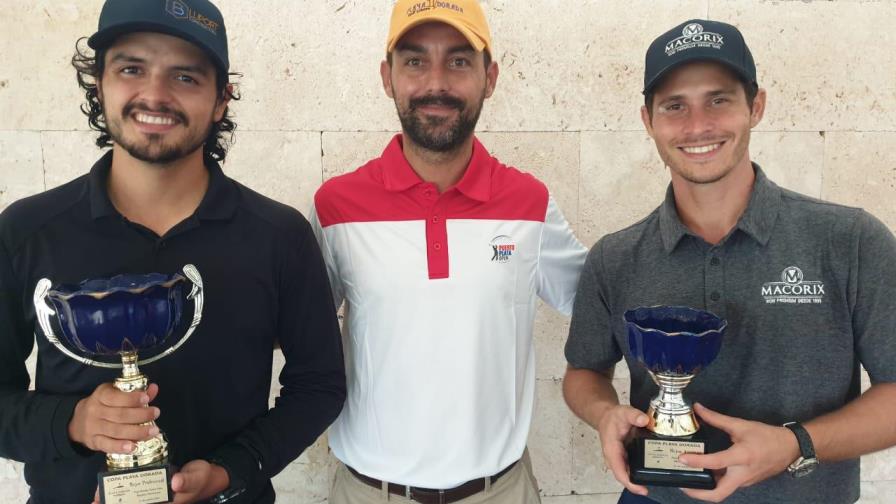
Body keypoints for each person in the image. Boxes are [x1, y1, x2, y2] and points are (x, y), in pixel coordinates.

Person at [0, 1, 346, 502]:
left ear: (221, 99)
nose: (155, 95)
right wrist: (71, 422)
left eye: (185, 77)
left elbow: (319, 387)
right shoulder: (26, 231)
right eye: (132, 68)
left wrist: (231, 470)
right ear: (99, 82)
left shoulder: (279, 235)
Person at [562, 18, 896, 504]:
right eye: (675, 106)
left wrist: (794, 444)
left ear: (755, 106)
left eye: (718, 99)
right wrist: (604, 413)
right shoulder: (615, 257)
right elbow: (583, 372)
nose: (698, 126)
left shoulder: (850, 239)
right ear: (647, 121)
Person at [309, 1, 587, 502]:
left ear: (490, 77)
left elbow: (600, 303)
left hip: (500, 491)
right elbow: (294, 332)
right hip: (369, 492)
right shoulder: (335, 207)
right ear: (387, 77)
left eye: (459, 60)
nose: (436, 82)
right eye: (415, 60)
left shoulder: (530, 204)